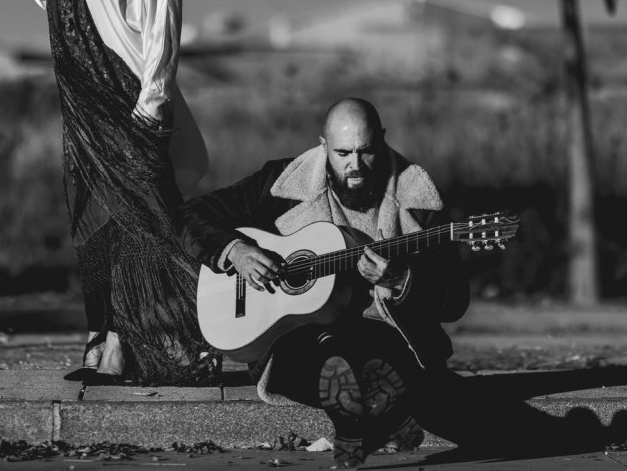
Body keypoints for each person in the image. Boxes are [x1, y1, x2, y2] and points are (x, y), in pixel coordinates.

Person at [177, 98, 470, 467]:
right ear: (323, 145)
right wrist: (235, 251)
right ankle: (380, 415)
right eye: (343, 152)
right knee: (328, 350)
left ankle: (362, 421)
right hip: (293, 340)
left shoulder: (418, 197)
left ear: (381, 139)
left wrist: (401, 279)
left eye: (366, 151)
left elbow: (456, 299)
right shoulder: (282, 182)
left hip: (385, 336)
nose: (355, 166)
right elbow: (191, 214)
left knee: (368, 356)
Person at [28, 0, 211, 385]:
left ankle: (152, 342)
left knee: (146, 222)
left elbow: (163, 33)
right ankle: (101, 336)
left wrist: (150, 108)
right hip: (82, 111)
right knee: (91, 223)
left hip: (131, 103)